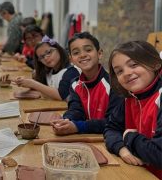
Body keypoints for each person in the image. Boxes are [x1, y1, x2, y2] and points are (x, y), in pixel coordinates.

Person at [105, 41, 162, 178]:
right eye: (119, 71)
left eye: (134, 65)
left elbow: (159, 155)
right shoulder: (129, 98)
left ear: (155, 64)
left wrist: (129, 137)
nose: (127, 73)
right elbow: (110, 128)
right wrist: (121, 148)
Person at [50, 32, 122, 135]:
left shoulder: (115, 84)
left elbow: (114, 122)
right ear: (71, 59)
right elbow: (76, 110)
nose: (83, 55)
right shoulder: (75, 84)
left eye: (88, 50)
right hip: (87, 139)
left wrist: (79, 126)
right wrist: (66, 121)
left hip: (110, 141)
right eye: (76, 53)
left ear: (99, 53)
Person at [15, 35, 79, 101]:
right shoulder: (49, 72)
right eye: (41, 57)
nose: (46, 58)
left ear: (58, 49)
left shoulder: (71, 71)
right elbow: (42, 88)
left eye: (48, 52)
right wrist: (22, 81)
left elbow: (61, 95)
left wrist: (33, 83)